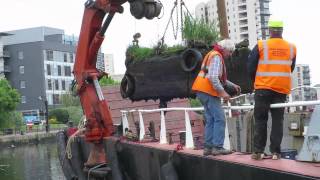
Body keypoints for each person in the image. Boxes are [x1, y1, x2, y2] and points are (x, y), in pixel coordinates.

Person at [247, 19, 296, 160]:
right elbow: (290, 68)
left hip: (263, 88)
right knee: (277, 121)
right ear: (282, 31)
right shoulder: (292, 48)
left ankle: (258, 152)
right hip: (281, 89)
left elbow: (251, 67)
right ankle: (276, 152)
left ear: (270, 30)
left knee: (261, 119)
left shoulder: (261, 45)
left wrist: (256, 81)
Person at [192, 39, 241, 156]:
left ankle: (208, 148)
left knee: (211, 119)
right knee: (220, 119)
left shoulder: (211, 54)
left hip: (201, 91)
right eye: (230, 52)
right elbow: (213, 78)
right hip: (209, 92)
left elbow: (213, 75)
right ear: (225, 50)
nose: (230, 55)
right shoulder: (217, 57)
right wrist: (223, 92)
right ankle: (218, 147)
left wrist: (232, 85)